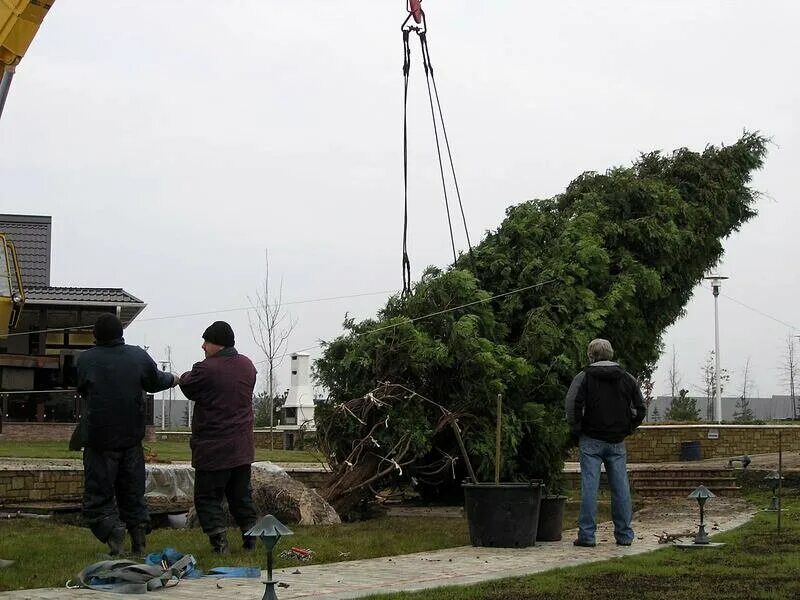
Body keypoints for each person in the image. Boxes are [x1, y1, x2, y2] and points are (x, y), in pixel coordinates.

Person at [77, 313, 179, 555]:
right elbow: (155, 381)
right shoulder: (137, 356)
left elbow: (82, 389)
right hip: (132, 438)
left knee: (98, 495)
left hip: (99, 440)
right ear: (121, 333)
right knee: (133, 492)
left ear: (95, 335)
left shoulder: (85, 360)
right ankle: (139, 539)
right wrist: (174, 379)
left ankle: (113, 531)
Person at [179, 321, 258, 554]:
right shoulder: (247, 365)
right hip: (242, 448)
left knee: (207, 498)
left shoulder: (206, 369)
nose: (203, 346)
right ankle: (251, 540)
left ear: (218, 344)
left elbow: (187, 385)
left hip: (213, 449)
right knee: (241, 496)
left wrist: (183, 374)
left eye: (206, 341)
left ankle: (219, 543)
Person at [564, 338, 646, 547]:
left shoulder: (583, 377)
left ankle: (587, 536)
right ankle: (625, 535)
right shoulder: (627, 378)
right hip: (617, 441)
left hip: (590, 439)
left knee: (589, 488)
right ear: (610, 354)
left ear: (590, 356)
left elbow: (572, 405)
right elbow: (640, 408)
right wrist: (628, 428)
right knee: (621, 488)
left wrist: (577, 430)